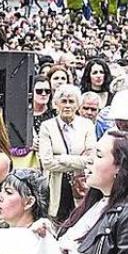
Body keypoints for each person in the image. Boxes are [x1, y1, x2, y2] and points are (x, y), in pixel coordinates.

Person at [47, 130, 128, 254]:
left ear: (120, 167)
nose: (89, 160)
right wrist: (46, 235)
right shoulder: (97, 201)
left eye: (99, 155)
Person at [38, 84, 97, 221]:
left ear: (78, 105)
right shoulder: (47, 127)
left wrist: (62, 158)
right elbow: (46, 163)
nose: (67, 106)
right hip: (56, 185)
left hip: (80, 184)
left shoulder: (87, 125)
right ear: (56, 104)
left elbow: (91, 160)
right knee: (56, 222)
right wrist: (78, 161)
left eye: (71, 102)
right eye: (64, 101)